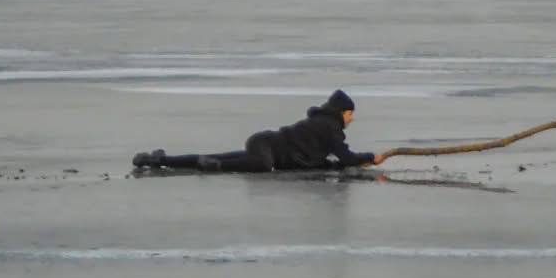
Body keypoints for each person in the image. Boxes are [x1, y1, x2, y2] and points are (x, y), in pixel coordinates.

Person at [132, 89, 385, 172]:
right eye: (351, 114)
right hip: (265, 147)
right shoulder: (331, 128)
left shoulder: (324, 125)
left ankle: (158, 160)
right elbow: (346, 157)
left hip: (263, 144)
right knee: (258, 165)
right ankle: (213, 167)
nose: (352, 120)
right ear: (342, 112)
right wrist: (370, 158)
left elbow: (324, 160)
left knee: (216, 155)